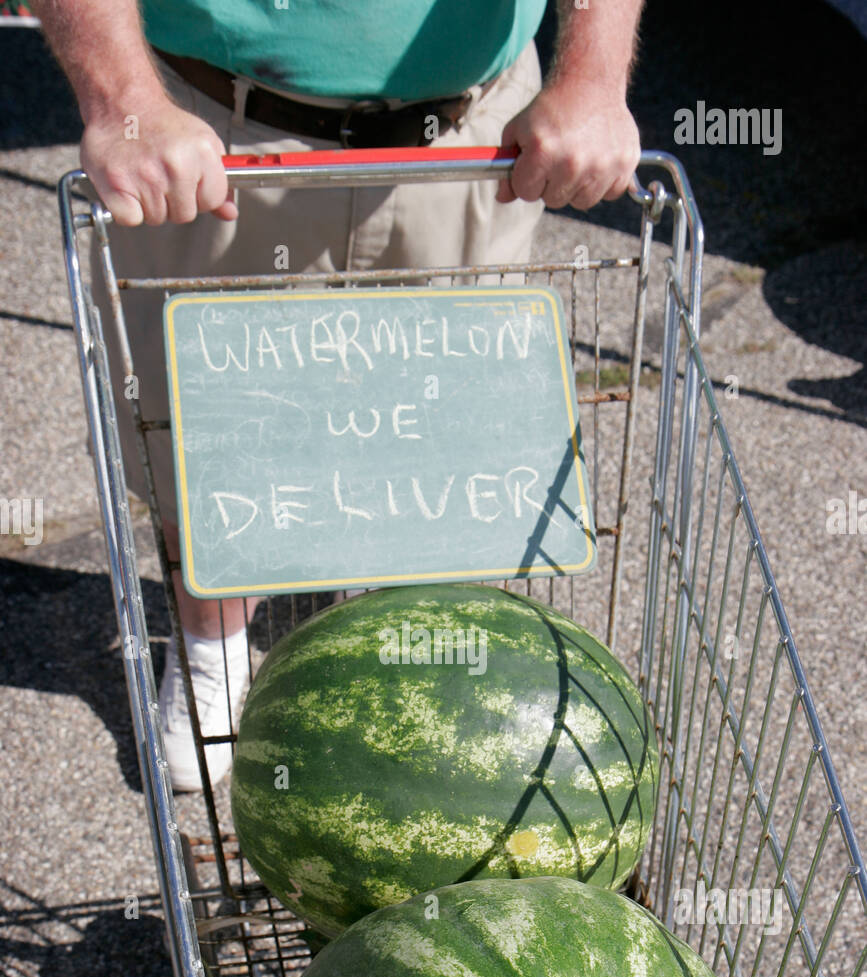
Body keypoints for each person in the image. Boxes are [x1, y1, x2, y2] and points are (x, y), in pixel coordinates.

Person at [35, 0, 643, 790]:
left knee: (444, 446)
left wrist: (593, 76)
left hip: (469, 133)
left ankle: (416, 678)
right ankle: (211, 650)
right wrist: (121, 105)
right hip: (215, 133)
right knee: (214, 439)